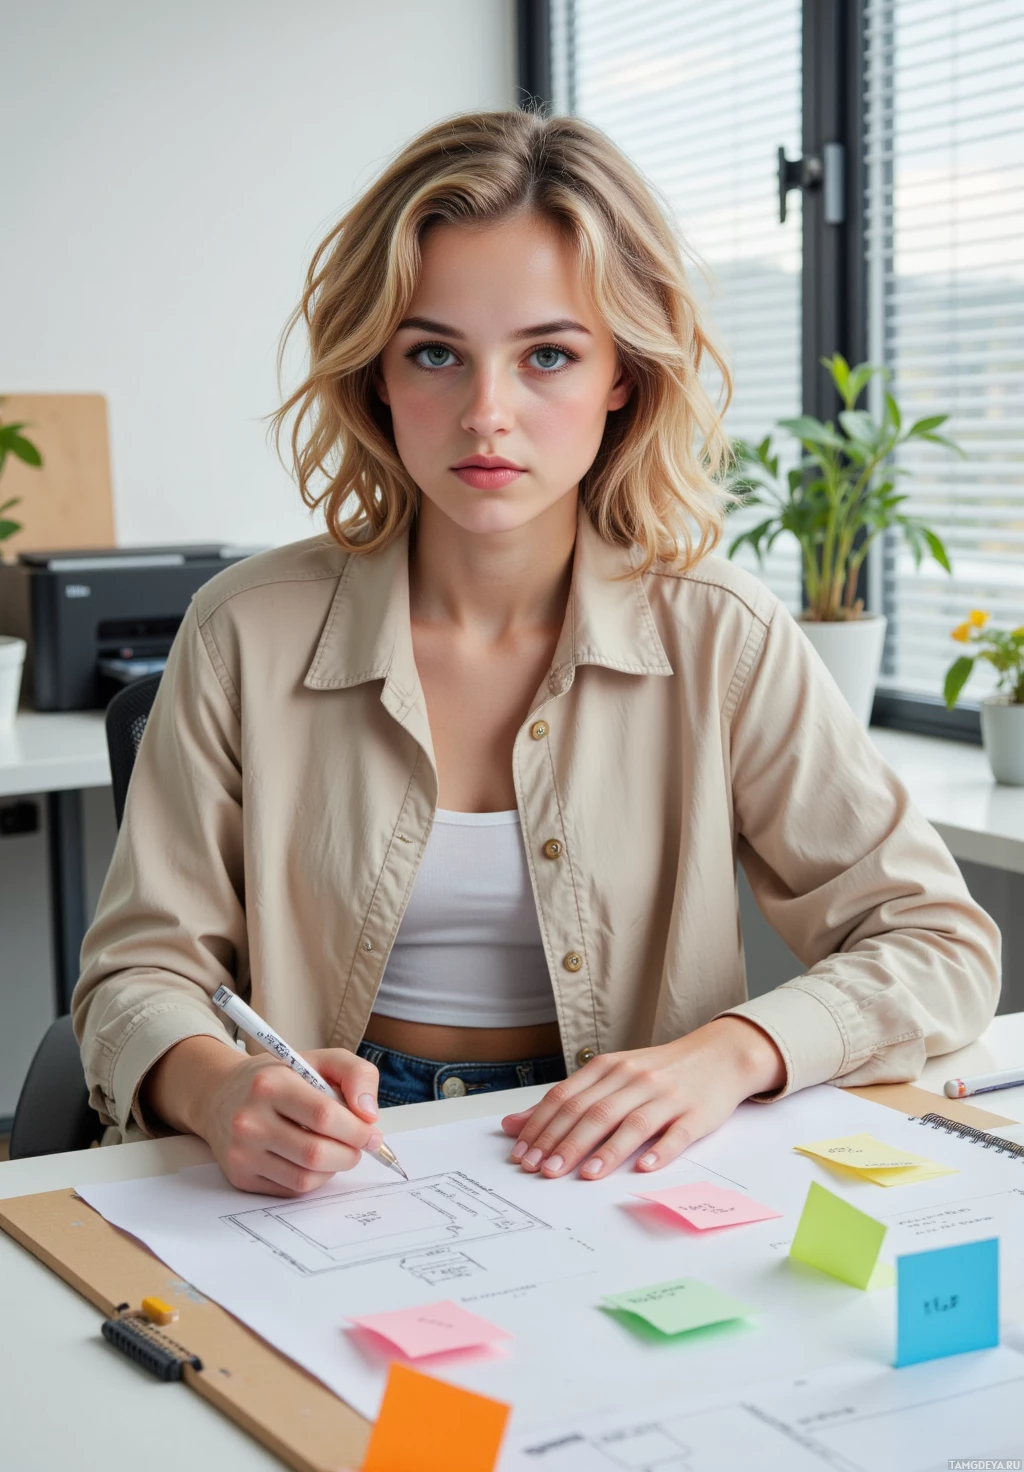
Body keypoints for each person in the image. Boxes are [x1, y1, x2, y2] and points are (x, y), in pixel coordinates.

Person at [73, 109, 1000, 1198]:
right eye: (435, 355)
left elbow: (937, 943)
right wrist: (215, 1088)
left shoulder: (720, 634)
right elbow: (137, 975)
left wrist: (727, 1055)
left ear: (622, 375)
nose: (486, 416)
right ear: (378, 372)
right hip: (317, 1170)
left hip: (611, 1157)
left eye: (548, 355)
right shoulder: (244, 628)